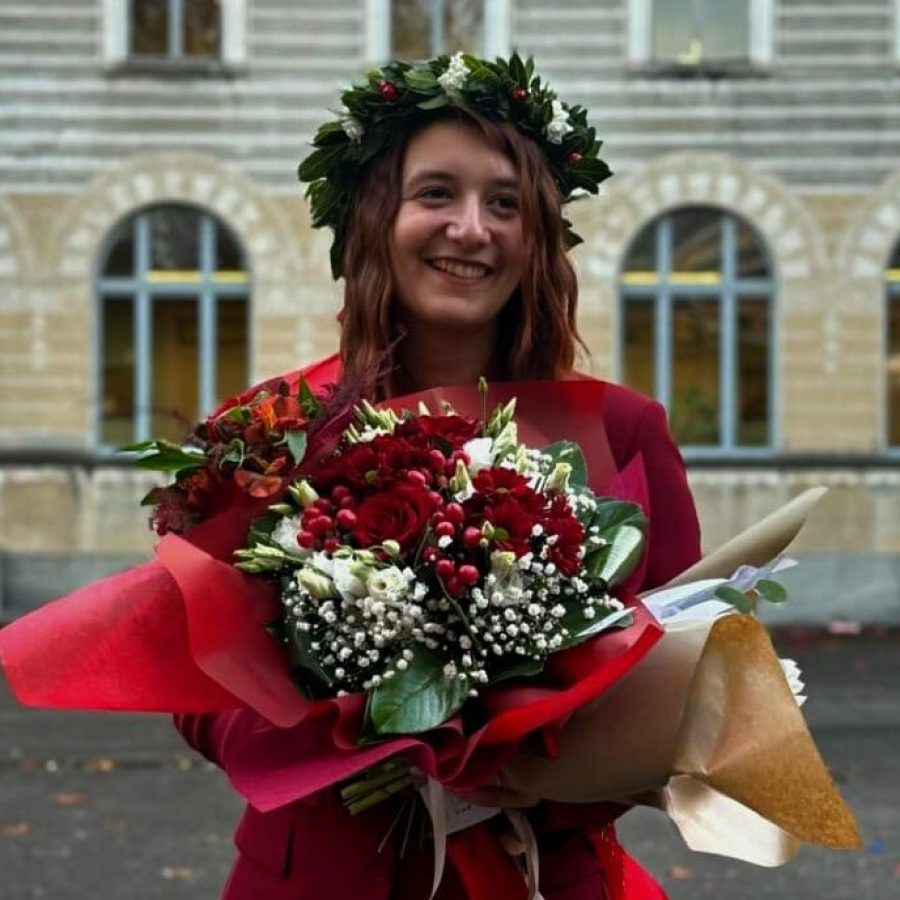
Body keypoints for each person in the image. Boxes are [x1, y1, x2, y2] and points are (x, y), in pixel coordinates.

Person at [176, 53, 701, 899]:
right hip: (313, 871)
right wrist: (326, 737)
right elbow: (189, 675)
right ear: (373, 220)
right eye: (435, 194)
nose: (471, 229)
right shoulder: (270, 431)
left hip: (538, 870)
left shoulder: (622, 432)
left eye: (505, 203)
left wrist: (543, 775)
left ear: (539, 238)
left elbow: (684, 667)